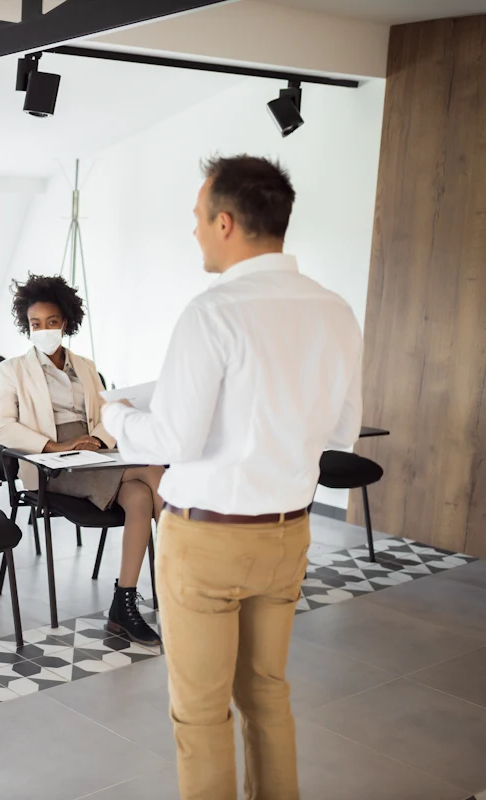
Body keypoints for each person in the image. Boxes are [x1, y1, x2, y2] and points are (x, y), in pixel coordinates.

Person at [102, 155, 362, 800]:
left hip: (207, 543)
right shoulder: (335, 311)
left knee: (201, 712)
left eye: (196, 218)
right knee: (268, 698)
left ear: (224, 222)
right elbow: (339, 435)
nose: (192, 232)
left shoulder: (212, 311)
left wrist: (115, 416)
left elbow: (174, 441)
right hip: (288, 536)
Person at [0, 275, 165, 646]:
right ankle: (186, 574)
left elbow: (106, 415)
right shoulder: (13, 369)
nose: (43, 330)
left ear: (65, 322)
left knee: (139, 497)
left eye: (51, 322)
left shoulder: (85, 365)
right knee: (152, 469)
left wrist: (98, 440)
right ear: (27, 326)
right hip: (51, 465)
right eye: (35, 324)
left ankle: (124, 604)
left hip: (94, 453)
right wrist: (55, 447)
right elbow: (1, 427)